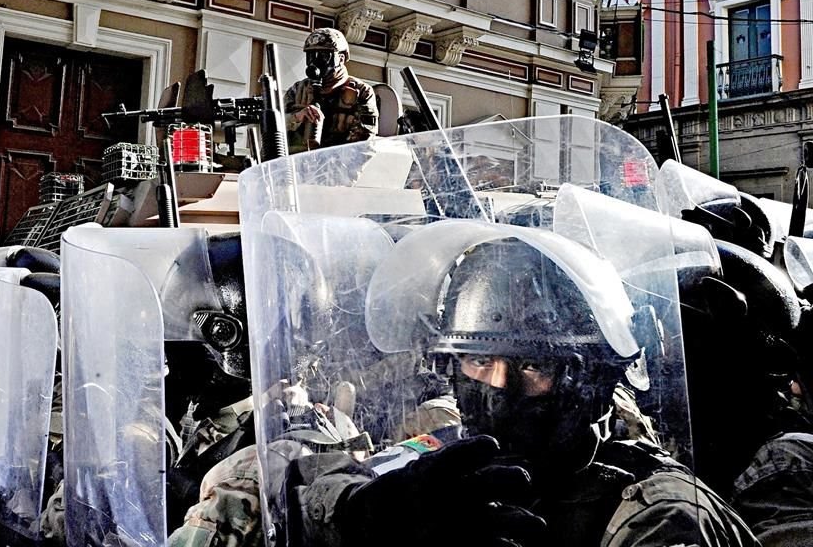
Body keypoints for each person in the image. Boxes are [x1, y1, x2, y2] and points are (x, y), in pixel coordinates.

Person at [280, 224, 761, 547]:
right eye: (479, 360)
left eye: (533, 364)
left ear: (594, 379)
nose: (499, 389)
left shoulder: (660, 515)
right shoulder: (443, 461)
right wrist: (364, 516)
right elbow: (291, 500)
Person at [284, 28, 378, 152]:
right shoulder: (298, 90)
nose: (315, 61)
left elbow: (364, 142)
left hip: (338, 166)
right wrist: (297, 117)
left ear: (341, 58)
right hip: (299, 165)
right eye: (311, 55)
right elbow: (275, 127)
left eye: (324, 56)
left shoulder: (361, 91)